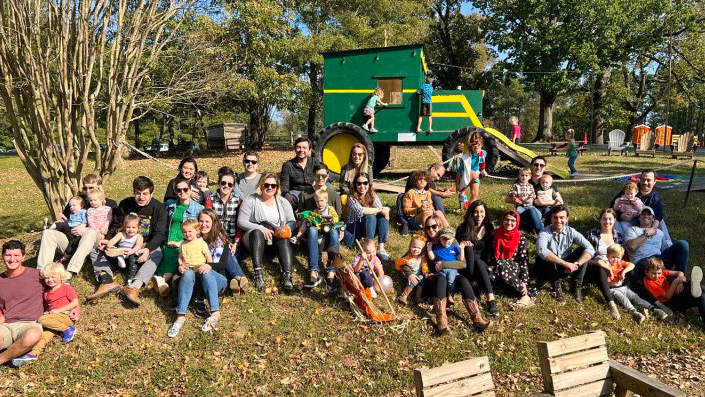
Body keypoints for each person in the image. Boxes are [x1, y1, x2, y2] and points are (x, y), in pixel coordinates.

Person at [88, 176, 167, 306]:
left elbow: (160, 234)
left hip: (142, 245)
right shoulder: (125, 204)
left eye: (145, 194)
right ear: (133, 192)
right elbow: (115, 225)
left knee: (157, 253)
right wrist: (108, 240)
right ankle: (106, 281)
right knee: (96, 248)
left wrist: (148, 249)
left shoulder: (159, 208)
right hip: (122, 244)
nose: (141, 197)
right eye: (138, 193)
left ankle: (133, 287)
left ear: (151, 194)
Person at [37, 174, 118, 279]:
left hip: (96, 241)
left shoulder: (110, 204)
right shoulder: (78, 200)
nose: (87, 191)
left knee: (90, 232)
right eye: (85, 188)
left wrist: (106, 239)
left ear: (99, 187)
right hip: (73, 242)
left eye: (91, 187)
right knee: (48, 233)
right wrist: (60, 222)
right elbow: (67, 219)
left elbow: (114, 225)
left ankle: (70, 271)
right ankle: (42, 271)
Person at [238, 173, 296, 291]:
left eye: (273, 185)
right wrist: (260, 228)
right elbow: (241, 221)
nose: (269, 188)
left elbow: (292, 221)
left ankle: (287, 275)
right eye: (266, 185)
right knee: (256, 232)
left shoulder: (283, 201)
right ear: (261, 185)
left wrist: (287, 229)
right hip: (254, 238)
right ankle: (258, 274)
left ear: (277, 187)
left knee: (283, 238)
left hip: (275, 237)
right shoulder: (251, 200)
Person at [167, 219, 225, 338]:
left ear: (196, 231)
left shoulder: (202, 243)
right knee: (187, 274)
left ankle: (215, 313)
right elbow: (180, 257)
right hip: (189, 269)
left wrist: (209, 264)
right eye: (185, 232)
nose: (187, 234)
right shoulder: (183, 244)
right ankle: (180, 317)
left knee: (205, 272)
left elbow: (209, 256)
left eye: (190, 231)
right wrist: (180, 265)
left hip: (205, 270)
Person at [17, 263, 79, 364]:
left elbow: (75, 302)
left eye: (53, 277)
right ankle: (33, 353)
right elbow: (49, 307)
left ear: (61, 276)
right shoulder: (46, 293)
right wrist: (48, 312)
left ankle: (68, 329)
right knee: (44, 335)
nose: (49, 280)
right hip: (53, 320)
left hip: (65, 316)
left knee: (41, 320)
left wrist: (58, 311)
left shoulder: (66, 288)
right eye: (47, 278)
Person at [153, 178, 205, 295]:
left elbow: (200, 231)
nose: (182, 192)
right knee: (165, 254)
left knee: (176, 253)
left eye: (185, 189)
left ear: (191, 190)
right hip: (169, 239)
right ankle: (162, 283)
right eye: (179, 190)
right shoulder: (169, 205)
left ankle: (161, 281)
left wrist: (182, 242)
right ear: (175, 192)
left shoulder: (199, 209)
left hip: (185, 240)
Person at [536, 205, 595, 304]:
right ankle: (556, 286)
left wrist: (576, 264)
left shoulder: (571, 231)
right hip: (547, 268)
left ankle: (576, 285)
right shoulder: (544, 232)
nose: (558, 220)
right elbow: (541, 251)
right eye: (555, 217)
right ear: (551, 218)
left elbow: (590, 249)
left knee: (583, 251)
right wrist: (565, 264)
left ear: (567, 219)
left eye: (562, 217)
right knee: (550, 253)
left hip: (566, 268)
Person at [0, 240, 44, 367]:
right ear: (3, 257)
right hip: (6, 325)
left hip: (29, 324)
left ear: (23, 257)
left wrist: (75, 306)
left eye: (16, 255)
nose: (12, 259)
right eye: (8, 255)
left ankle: (2, 359)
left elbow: (59, 289)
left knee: (33, 335)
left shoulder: (37, 275)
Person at [599, 244, 668, 323]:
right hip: (613, 289)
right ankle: (635, 313)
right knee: (624, 299)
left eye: (618, 257)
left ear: (621, 257)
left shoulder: (621, 263)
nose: (615, 259)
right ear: (608, 256)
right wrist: (609, 269)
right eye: (613, 257)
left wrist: (623, 272)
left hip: (624, 287)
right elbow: (599, 261)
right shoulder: (607, 263)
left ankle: (654, 309)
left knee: (636, 297)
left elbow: (632, 265)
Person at [456, 200, 498, 316]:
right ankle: (476, 286)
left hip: (482, 264)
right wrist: (463, 245)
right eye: (476, 212)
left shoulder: (489, 227)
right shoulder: (462, 228)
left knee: (479, 262)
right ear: (471, 213)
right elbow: (456, 250)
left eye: (482, 212)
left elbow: (490, 250)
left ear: (486, 213)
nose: (479, 215)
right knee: (469, 248)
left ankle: (490, 299)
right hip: (466, 265)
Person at [624, 206, 689, 278]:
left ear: (653, 218)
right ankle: (672, 279)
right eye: (643, 214)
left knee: (683, 244)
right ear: (639, 218)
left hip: (659, 260)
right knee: (651, 266)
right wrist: (647, 234)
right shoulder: (632, 230)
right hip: (642, 262)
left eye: (649, 214)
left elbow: (665, 250)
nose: (646, 216)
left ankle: (681, 279)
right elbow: (632, 247)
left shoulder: (660, 233)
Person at [584, 208, 626, 319]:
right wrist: (600, 263)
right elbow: (584, 257)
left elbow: (620, 257)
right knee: (601, 269)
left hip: (613, 267)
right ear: (600, 220)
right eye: (604, 219)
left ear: (615, 220)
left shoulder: (619, 237)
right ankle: (611, 304)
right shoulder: (591, 235)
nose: (607, 222)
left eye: (610, 219)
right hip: (595, 266)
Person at [611, 170, 672, 245]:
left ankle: (668, 244)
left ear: (655, 181)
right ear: (639, 179)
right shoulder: (631, 190)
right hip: (628, 219)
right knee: (616, 222)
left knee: (661, 222)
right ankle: (620, 246)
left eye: (648, 180)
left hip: (646, 221)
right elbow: (612, 206)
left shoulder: (656, 196)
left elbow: (658, 215)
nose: (645, 182)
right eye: (643, 179)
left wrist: (652, 229)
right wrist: (620, 215)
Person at [298, 189, 341, 290]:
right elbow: (309, 222)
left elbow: (336, 219)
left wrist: (330, 220)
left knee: (334, 231)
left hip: (330, 236)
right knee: (312, 230)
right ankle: (314, 272)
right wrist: (308, 223)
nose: (320, 203)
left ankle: (331, 273)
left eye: (321, 201)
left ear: (326, 201)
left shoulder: (330, 209)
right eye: (317, 201)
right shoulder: (314, 212)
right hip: (318, 237)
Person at [489, 210, 533, 308]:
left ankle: (524, 294)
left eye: (513, 221)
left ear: (516, 222)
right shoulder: (495, 234)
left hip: (513, 268)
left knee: (501, 264)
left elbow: (524, 262)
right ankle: (506, 288)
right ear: (502, 220)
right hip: (496, 266)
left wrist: (524, 282)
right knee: (488, 270)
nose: (509, 223)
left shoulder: (520, 238)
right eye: (507, 219)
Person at [643, 258, 705, 327]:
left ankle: (691, 285)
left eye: (659, 273)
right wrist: (676, 282)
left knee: (701, 289)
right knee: (700, 297)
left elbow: (679, 272)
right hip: (671, 303)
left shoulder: (661, 272)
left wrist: (680, 283)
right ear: (646, 272)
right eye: (654, 273)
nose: (657, 276)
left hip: (676, 293)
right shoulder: (649, 283)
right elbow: (667, 296)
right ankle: (691, 286)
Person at [198, 209, 248, 294]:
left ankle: (239, 280)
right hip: (200, 274)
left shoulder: (220, 241)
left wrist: (209, 265)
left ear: (213, 223)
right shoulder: (194, 240)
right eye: (201, 221)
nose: (203, 224)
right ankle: (236, 281)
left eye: (207, 221)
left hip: (217, 274)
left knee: (227, 254)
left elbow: (223, 264)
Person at [343, 172, 390, 260]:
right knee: (370, 216)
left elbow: (383, 210)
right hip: (354, 229)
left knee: (382, 217)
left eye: (365, 183)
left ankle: (381, 248)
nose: (362, 186)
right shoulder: (351, 197)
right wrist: (381, 209)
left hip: (367, 226)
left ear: (369, 184)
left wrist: (386, 210)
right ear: (355, 184)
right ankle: (369, 248)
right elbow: (362, 211)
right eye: (359, 183)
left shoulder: (372, 194)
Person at [399, 162, 452, 235]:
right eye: (420, 179)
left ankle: (448, 231)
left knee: (438, 212)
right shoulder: (410, 192)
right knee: (425, 212)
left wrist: (432, 211)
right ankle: (426, 233)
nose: (422, 181)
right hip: (413, 218)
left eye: (425, 180)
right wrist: (419, 209)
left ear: (427, 182)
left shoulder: (427, 193)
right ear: (415, 181)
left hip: (427, 216)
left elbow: (430, 204)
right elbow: (406, 210)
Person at [280, 137, 318, 211]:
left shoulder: (315, 162)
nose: (301, 150)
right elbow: (284, 185)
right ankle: (292, 220)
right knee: (288, 198)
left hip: (313, 190)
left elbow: (324, 175)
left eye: (304, 148)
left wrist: (317, 182)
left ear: (309, 150)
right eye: (298, 147)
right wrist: (286, 194)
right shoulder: (288, 165)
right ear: (295, 149)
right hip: (295, 193)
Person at [427, 227, 467, 297]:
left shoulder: (454, 247)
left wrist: (462, 249)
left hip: (452, 269)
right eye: (444, 238)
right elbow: (432, 257)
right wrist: (429, 248)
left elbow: (460, 259)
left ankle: (450, 295)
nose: (446, 241)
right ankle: (442, 296)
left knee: (450, 281)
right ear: (440, 238)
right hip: (441, 270)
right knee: (442, 281)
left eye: (449, 239)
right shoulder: (437, 248)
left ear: (453, 239)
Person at [104, 213, 144, 279]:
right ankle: (116, 268)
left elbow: (138, 246)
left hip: (131, 252)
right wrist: (109, 245)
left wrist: (132, 251)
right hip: (120, 251)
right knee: (112, 255)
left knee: (133, 259)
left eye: (133, 227)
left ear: (138, 228)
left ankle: (131, 277)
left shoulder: (138, 236)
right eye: (128, 227)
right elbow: (113, 240)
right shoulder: (121, 234)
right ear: (124, 227)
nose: (130, 229)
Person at [48, 195, 87, 262]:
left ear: (81, 206)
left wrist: (82, 226)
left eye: (74, 205)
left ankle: (65, 257)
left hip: (77, 229)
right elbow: (70, 222)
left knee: (72, 243)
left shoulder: (83, 212)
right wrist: (64, 218)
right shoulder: (72, 214)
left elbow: (85, 221)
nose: (71, 207)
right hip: (70, 228)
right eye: (70, 206)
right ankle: (51, 227)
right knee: (63, 226)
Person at [211, 167, 242, 246]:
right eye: (223, 183)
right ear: (219, 183)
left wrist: (236, 242)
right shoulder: (210, 200)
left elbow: (240, 225)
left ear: (233, 187)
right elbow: (209, 222)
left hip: (233, 238)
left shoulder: (238, 201)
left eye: (230, 184)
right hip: (215, 238)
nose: (226, 186)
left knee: (232, 258)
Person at [456, 131, 487, 208]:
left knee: (474, 194)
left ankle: (470, 209)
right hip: (465, 177)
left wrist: (483, 170)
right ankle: (462, 200)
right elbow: (459, 172)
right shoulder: (465, 158)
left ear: (481, 145)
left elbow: (482, 164)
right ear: (470, 146)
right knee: (462, 191)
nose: (477, 148)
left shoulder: (483, 153)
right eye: (474, 146)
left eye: (479, 145)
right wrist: (457, 184)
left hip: (475, 178)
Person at [395, 234, 429, 305]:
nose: (416, 249)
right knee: (414, 280)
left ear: (422, 249)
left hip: (418, 275)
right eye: (414, 247)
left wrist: (426, 272)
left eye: (419, 248)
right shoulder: (407, 258)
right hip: (408, 276)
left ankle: (417, 297)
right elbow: (398, 264)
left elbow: (424, 265)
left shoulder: (421, 257)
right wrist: (408, 273)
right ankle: (404, 295)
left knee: (421, 278)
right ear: (410, 246)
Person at [508, 167, 543, 232]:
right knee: (518, 213)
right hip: (520, 206)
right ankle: (524, 226)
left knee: (538, 214)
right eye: (522, 175)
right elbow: (511, 193)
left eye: (526, 175)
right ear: (519, 176)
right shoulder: (516, 185)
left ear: (529, 177)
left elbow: (533, 195)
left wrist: (531, 198)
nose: (524, 177)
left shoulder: (530, 186)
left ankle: (538, 224)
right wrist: (516, 198)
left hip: (529, 205)